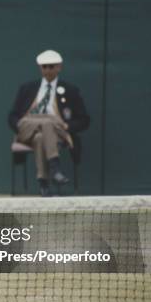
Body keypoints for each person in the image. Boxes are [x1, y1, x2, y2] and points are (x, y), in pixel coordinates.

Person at [8, 50, 90, 197]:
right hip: (28, 127)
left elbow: (84, 119)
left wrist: (67, 126)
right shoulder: (27, 88)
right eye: (44, 66)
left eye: (51, 66)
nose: (47, 70)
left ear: (59, 67)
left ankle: (43, 184)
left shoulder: (71, 90)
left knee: (41, 136)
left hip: (56, 131)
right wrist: (21, 126)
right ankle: (55, 168)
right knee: (47, 122)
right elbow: (13, 116)